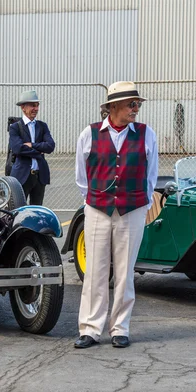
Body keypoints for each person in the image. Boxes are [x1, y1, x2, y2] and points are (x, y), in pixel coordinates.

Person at [74, 81, 158, 349]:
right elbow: (81, 177)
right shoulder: (89, 134)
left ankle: (120, 328)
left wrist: (141, 205)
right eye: (131, 104)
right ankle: (90, 328)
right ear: (113, 107)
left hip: (132, 209)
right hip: (97, 208)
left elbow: (151, 175)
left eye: (138, 104)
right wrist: (94, 200)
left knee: (124, 271)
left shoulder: (147, 134)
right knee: (95, 270)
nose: (136, 108)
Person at [9, 90, 55, 205]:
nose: (36, 108)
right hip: (22, 175)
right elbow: (18, 148)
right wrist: (39, 152)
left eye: (37, 105)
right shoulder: (15, 127)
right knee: (18, 208)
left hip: (39, 176)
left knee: (37, 209)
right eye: (32, 105)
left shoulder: (42, 126)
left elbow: (50, 146)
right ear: (23, 107)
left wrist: (32, 145)